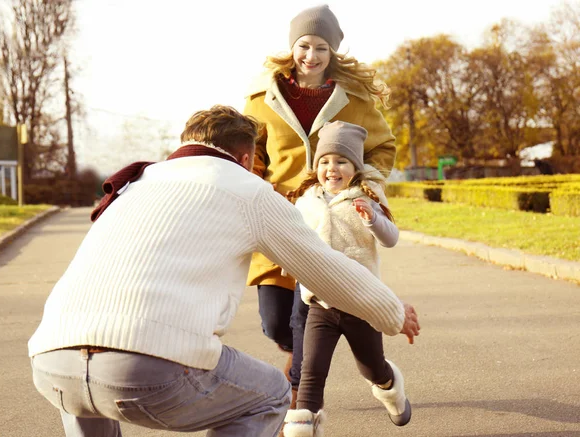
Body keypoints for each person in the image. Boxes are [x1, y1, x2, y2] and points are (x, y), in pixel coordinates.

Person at [28, 105, 419, 437]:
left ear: (185, 144)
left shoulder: (136, 182)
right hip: (146, 369)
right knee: (271, 394)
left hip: (51, 362)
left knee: (85, 395)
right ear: (248, 158)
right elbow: (328, 271)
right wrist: (393, 313)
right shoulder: (248, 190)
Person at [243, 3, 398, 402]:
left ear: (333, 53)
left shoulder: (356, 99)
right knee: (275, 323)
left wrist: (366, 185)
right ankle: (301, 358)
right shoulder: (261, 99)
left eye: (322, 49)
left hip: (329, 222)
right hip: (278, 217)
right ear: (292, 47)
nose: (311, 57)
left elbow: (382, 146)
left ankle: (300, 401)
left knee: (305, 314)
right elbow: (252, 154)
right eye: (305, 46)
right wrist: (252, 188)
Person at [281, 120, 416, 436]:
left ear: (355, 167)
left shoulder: (365, 197)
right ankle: (304, 428)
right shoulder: (307, 201)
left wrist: (372, 219)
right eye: (324, 161)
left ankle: (390, 386)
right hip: (320, 305)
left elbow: (391, 238)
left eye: (341, 161)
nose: (332, 168)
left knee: (372, 368)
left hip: (361, 305)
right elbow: (293, 240)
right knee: (311, 375)